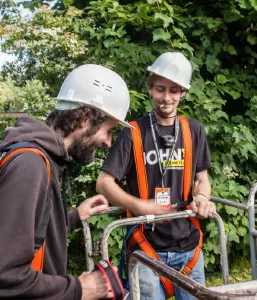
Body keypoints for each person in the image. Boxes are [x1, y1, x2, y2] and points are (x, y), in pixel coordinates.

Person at [0, 64, 133, 300]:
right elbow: (6, 276)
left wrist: (72, 217)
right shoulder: (29, 165)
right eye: (108, 131)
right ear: (84, 118)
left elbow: (27, 233)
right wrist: (81, 289)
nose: (108, 143)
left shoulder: (45, 159)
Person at [96, 52, 216, 300]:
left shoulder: (193, 131)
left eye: (174, 90)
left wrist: (202, 197)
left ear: (182, 92)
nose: (166, 97)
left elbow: (202, 178)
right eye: (160, 89)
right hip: (146, 246)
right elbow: (104, 183)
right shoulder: (133, 133)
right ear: (150, 89)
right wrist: (139, 206)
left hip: (188, 245)